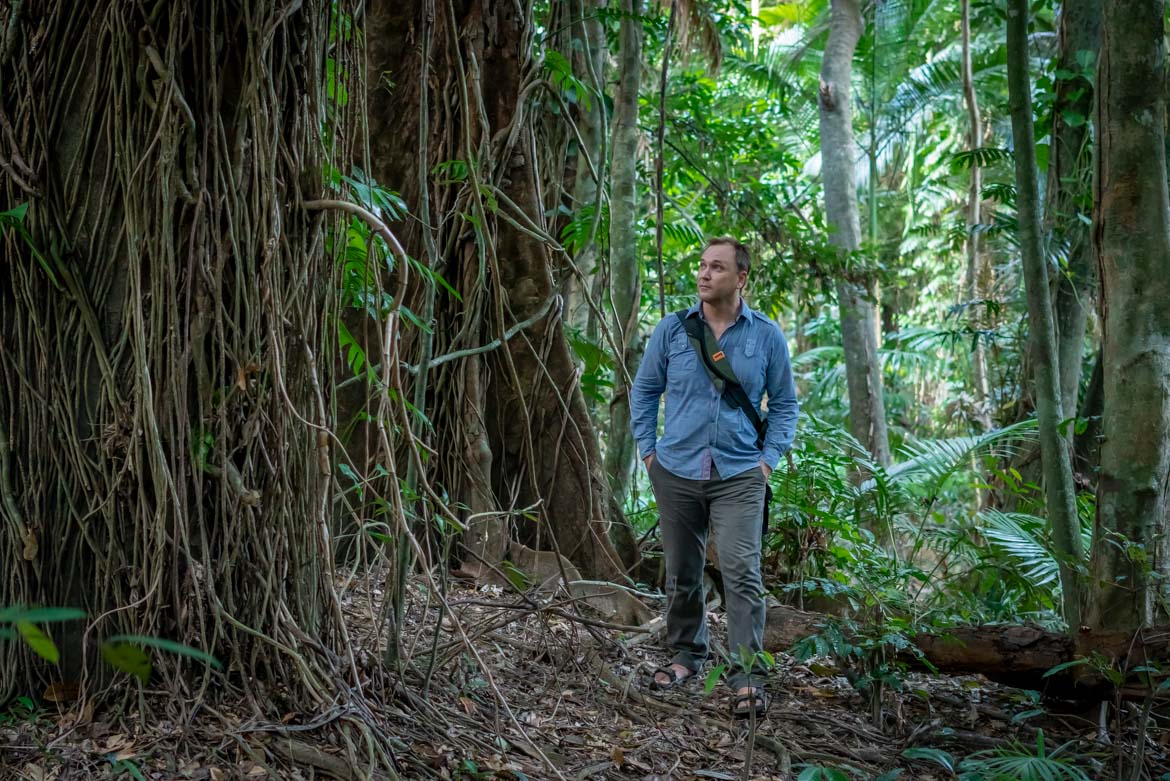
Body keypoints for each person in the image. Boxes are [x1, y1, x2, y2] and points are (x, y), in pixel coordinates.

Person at [629, 236, 798, 718]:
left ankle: (748, 675)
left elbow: (784, 405)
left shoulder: (765, 335)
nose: (704, 275)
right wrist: (649, 455)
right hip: (676, 469)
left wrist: (768, 461)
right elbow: (645, 392)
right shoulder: (673, 330)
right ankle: (687, 654)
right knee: (682, 572)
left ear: (741, 277)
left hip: (740, 472)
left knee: (742, 572)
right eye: (702, 266)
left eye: (717, 268)